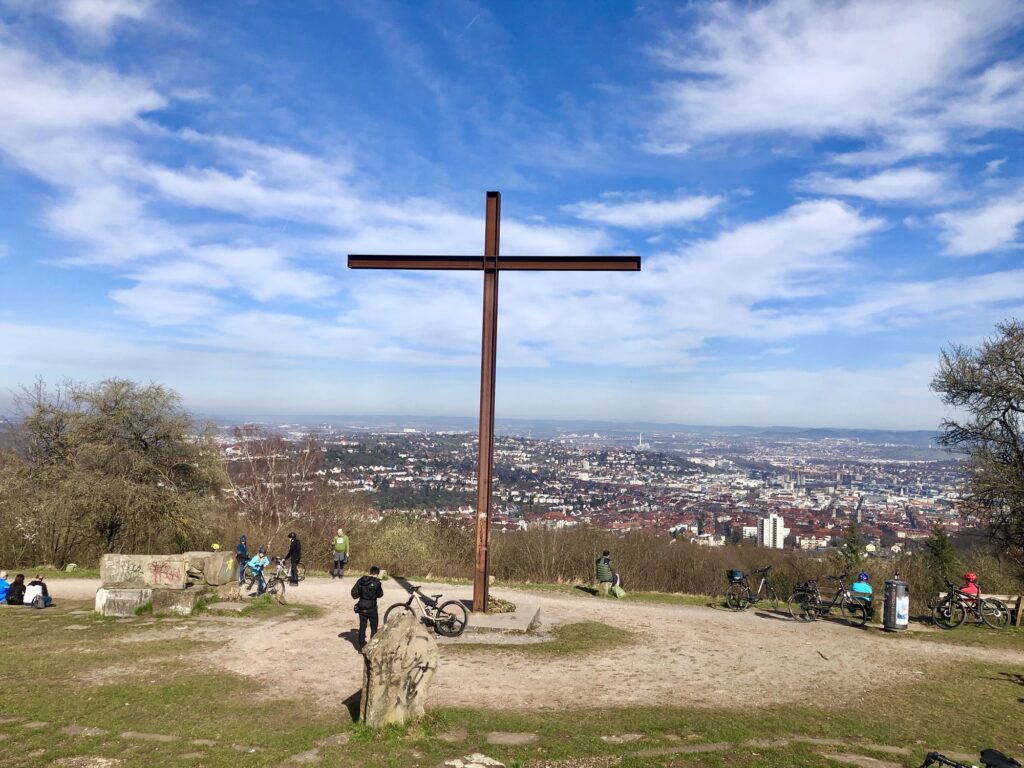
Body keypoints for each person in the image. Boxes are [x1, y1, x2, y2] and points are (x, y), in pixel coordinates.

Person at [351, 566, 384, 651]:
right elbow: (380, 594)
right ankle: (372, 648)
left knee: (362, 627)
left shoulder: (361, 580)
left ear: (370, 572)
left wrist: (361, 594)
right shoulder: (376, 582)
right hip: (372, 607)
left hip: (361, 606)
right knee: (374, 628)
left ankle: (360, 647)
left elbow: (354, 593)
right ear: (376, 574)